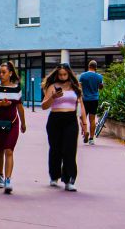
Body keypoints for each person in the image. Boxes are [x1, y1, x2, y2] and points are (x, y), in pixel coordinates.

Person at [41, 63, 88, 191]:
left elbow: (81, 106)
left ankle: (69, 179)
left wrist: (84, 124)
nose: (62, 77)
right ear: (57, 75)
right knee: (56, 149)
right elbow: (44, 106)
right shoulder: (52, 86)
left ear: (69, 74)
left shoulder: (75, 87)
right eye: (60, 74)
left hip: (71, 120)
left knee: (70, 150)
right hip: (55, 119)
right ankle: (54, 176)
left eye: (65, 74)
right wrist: (53, 97)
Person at [0, 61, 27, 194]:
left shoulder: (16, 88)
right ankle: (0, 176)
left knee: (9, 150)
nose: (1, 75)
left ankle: (8, 180)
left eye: (4, 72)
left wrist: (23, 123)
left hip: (13, 123)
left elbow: (20, 108)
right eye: (0, 72)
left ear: (10, 73)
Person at [79, 60, 104, 144]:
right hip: (94, 99)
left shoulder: (83, 76)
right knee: (92, 119)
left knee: (82, 118)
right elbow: (101, 87)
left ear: (88, 66)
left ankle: (85, 131)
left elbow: (79, 87)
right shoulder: (99, 77)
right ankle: (91, 139)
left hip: (85, 100)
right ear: (96, 67)